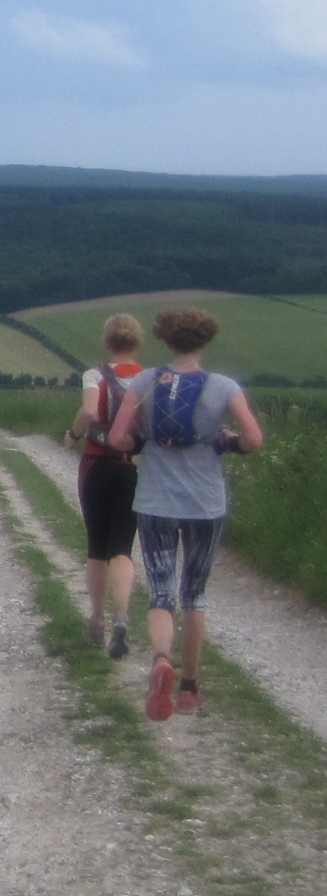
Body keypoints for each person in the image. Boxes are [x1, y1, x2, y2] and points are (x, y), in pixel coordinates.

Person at [107, 307, 266, 720]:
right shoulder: (223, 386)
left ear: (165, 340)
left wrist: (145, 436)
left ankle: (161, 659)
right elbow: (253, 438)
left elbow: (118, 437)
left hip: (156, 502)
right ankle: (191, 686)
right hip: (205, 504)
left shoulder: (143, 381)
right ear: (205, 342)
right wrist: (225, 442)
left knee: (161, 592)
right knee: (194, 594)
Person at [63, 314, 146, 660]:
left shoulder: (95, 375)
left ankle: (97, 618)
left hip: (96, 465)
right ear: (136, 343)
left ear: (107, 342)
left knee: (97, 546)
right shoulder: (148, 379)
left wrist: (73, 436)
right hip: (132, 469)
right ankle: (122, 614)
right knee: (123, 548)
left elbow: (87, 411)